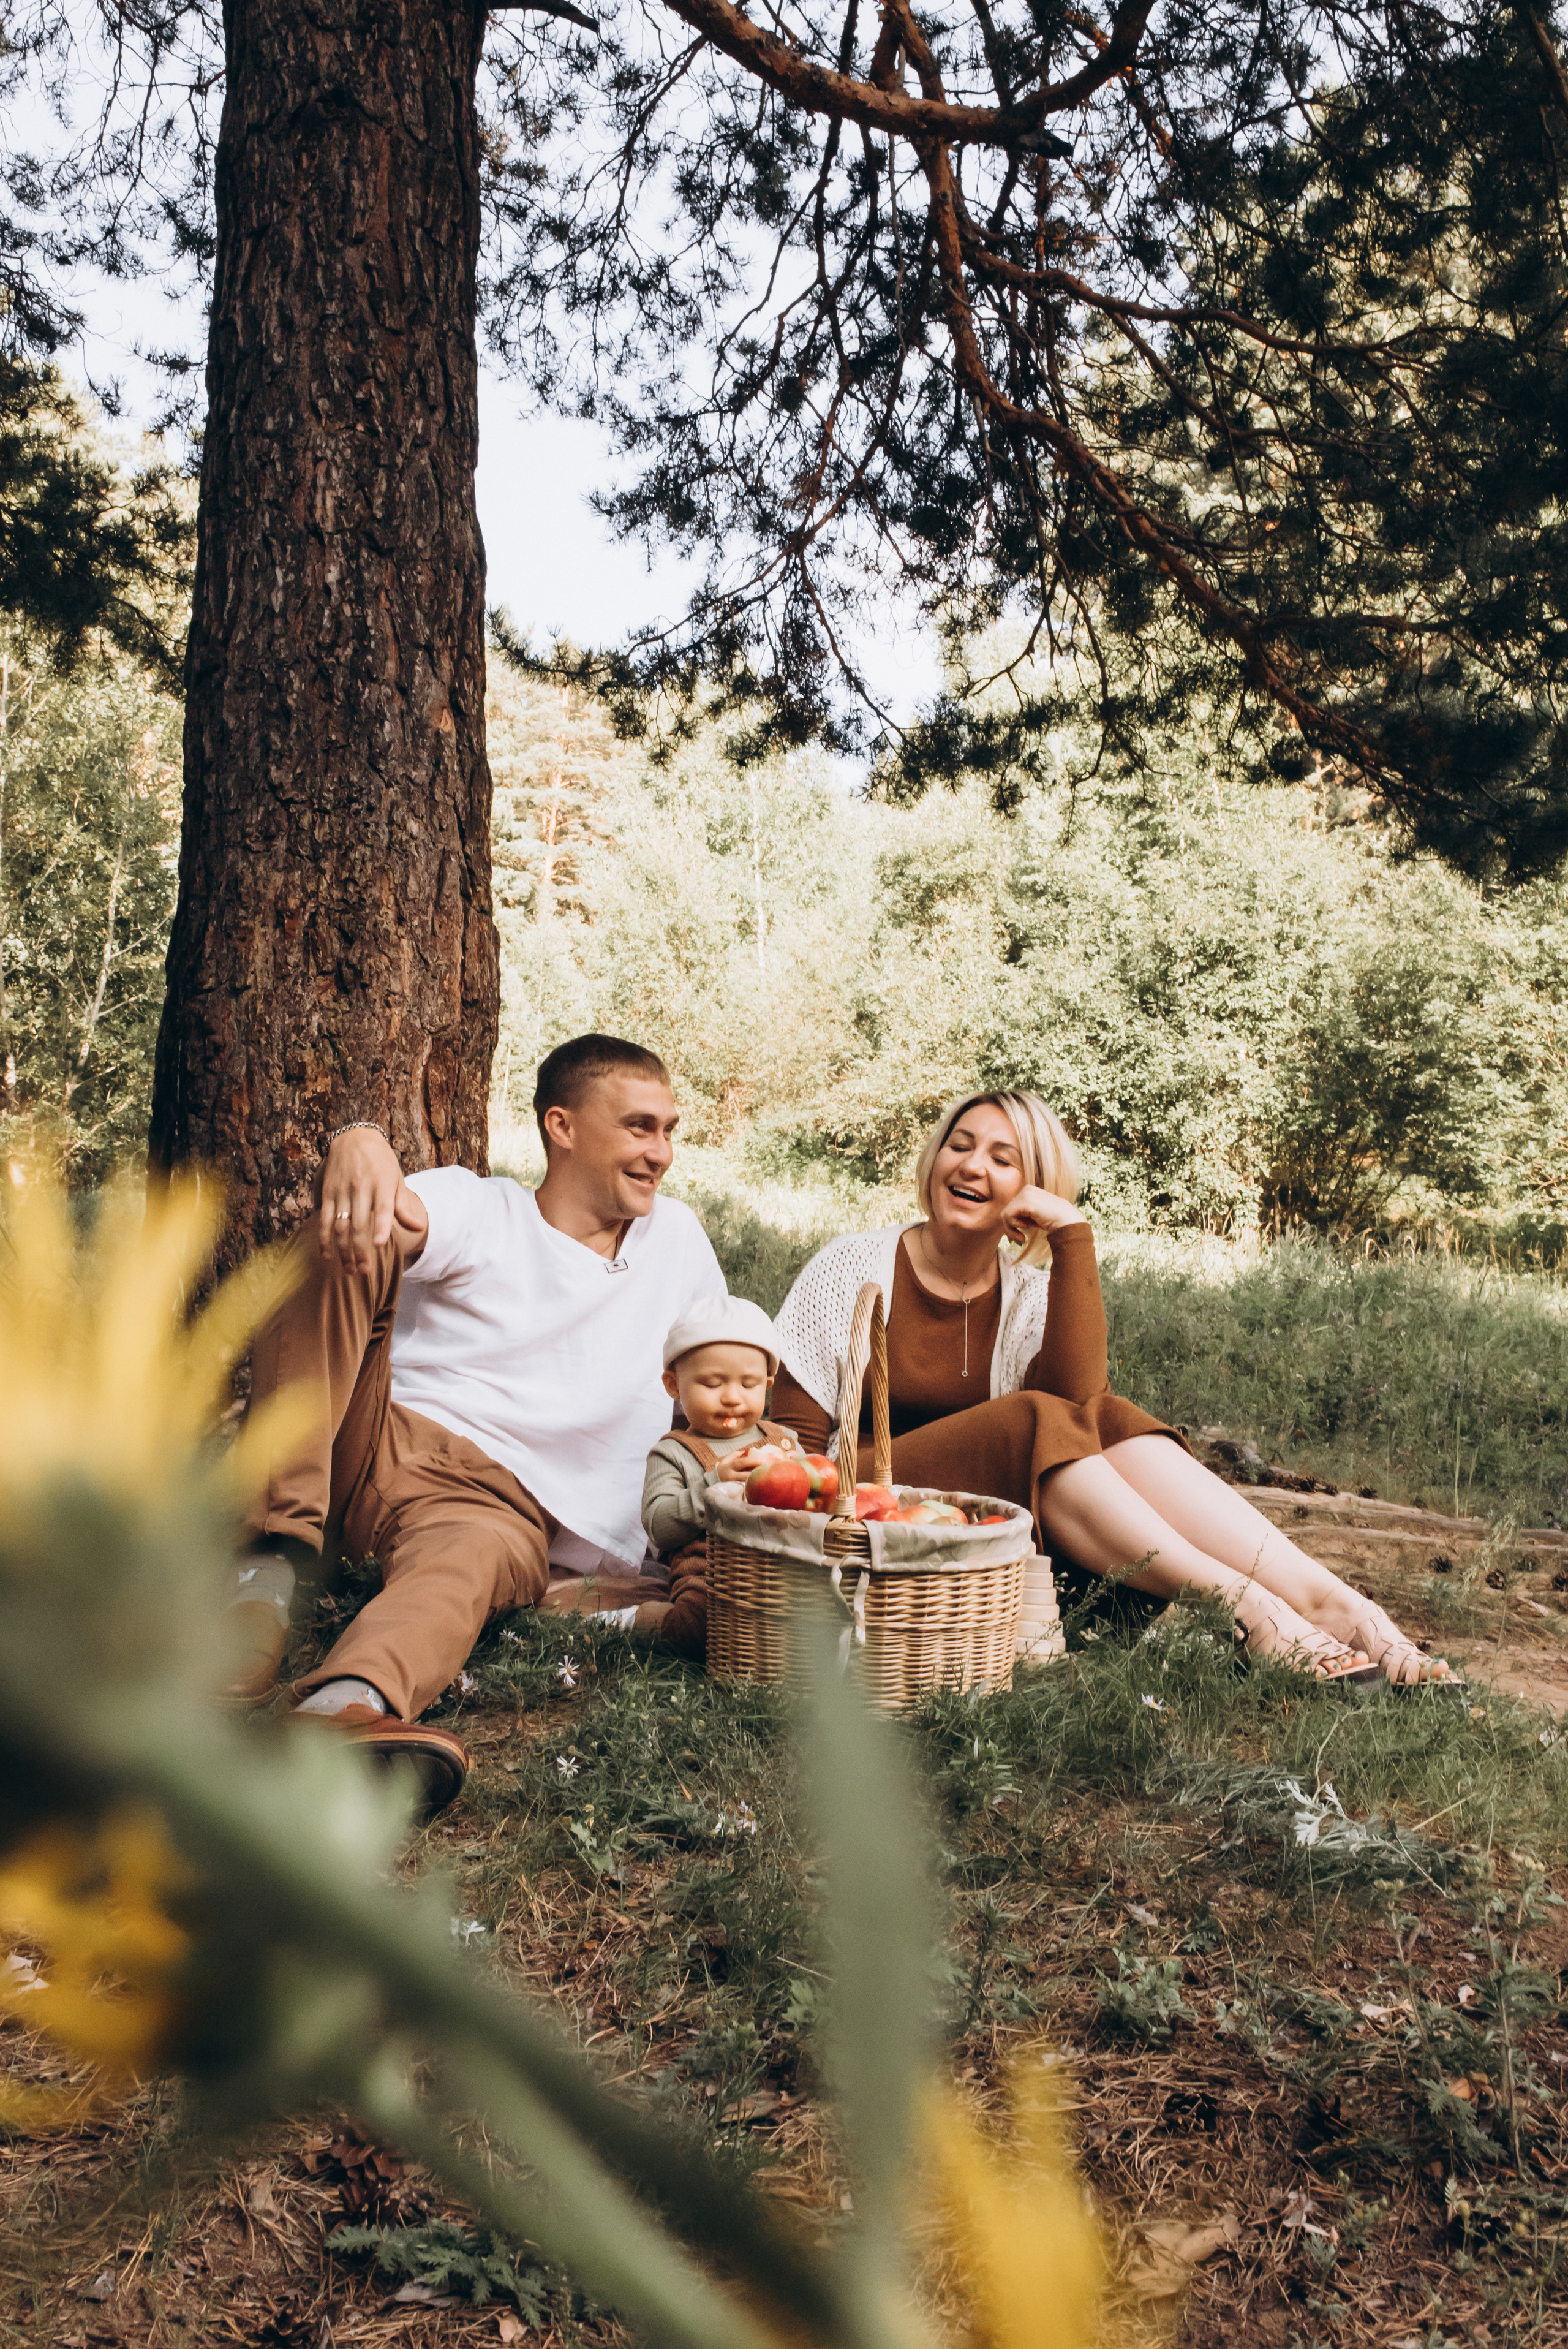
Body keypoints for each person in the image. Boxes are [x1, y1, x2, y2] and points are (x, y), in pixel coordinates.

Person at [769, 1091, 1454, 1689]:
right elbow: (795, 1452)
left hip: (992, 1537)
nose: (972, 1166)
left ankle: (1336, 1605)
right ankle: (1248, 1607)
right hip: (866, 1508)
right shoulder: (850, 1267)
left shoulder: (1028, 1294)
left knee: (1107, 1415)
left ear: (1032, 1190)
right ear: (934, 1159)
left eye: (1003, 1159)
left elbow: (1084, 1409)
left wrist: (1070, 1235)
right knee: (1036, 1417)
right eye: (960, 1145)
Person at [227, 1034, 726, 1814]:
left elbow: (721, 1376)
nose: (661, 1151)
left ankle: (338, 1710)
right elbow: (393, 1214)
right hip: (375, 1445)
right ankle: (264, 1564)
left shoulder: (678, 1241)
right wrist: (356, 1143)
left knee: (468, 1559)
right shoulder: (487, 1207)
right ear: (561, 1127)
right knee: (346, 1237)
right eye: (638, 1126)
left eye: (668, 1130)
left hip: (493, 1508)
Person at [639, 1296, 801, 1655]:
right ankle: (641, 1618)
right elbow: (659, 1526)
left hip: (782, 1569)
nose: (731, 1397)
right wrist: (714, 1485)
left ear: (769, 1383)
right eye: (712, 1384)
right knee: (700, 1627)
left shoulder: (784, 1443)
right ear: (673, 1385)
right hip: (709, 1575)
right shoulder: (674, 1453)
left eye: (748, 1384)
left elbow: (815, 1499)